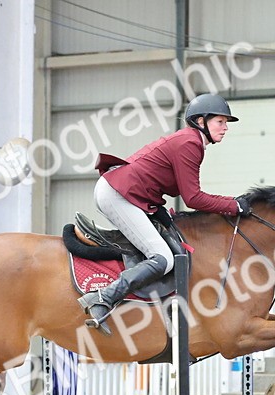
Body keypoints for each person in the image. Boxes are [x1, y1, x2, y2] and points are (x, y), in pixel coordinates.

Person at [79, 93, 252, 334]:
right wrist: (233, 205)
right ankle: (103, 297)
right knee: (162, 258)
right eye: (220, 122)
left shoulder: (190, 140)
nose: (225, 128)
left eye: (226, 123)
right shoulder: (190, 143)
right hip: (118, 194)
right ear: (201, 121)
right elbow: (193, 198)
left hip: (127, 193)